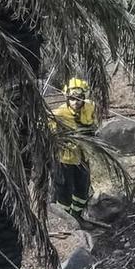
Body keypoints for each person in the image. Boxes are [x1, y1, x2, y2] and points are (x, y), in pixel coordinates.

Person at [50, 78, 98, 216]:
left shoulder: (90, 107)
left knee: (82, 189)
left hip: (83, 157)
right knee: (64, 191)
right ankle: (64, 220)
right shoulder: (59, 113)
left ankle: (77, 217)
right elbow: (50, 133)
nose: (75, 102)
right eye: (72, 99)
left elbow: (93, 123)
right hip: (65, 159)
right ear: (67, 98)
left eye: (79, 98)